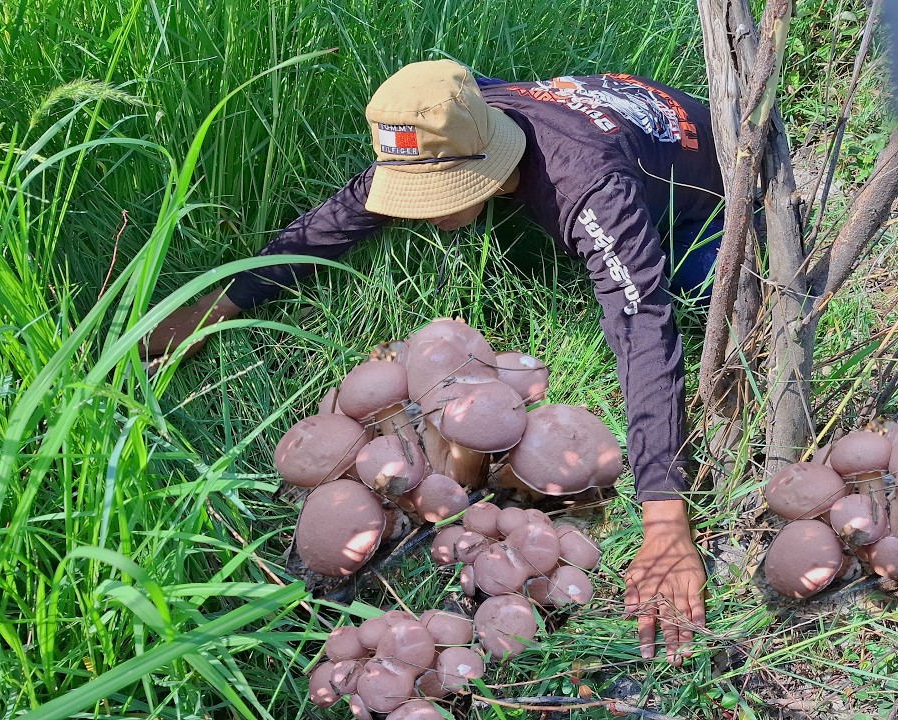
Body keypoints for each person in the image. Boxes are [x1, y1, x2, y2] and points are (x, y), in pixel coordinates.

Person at [142, 60, 725, 664]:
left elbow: (643, 331)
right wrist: (217, 304)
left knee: (696, 287)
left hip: (694, 170)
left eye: (442, 193)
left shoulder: (592, 192)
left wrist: (664, 521)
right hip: (601, 104)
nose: (425, 213)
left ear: (490, 156)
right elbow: (339, 219)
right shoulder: (451, 117)